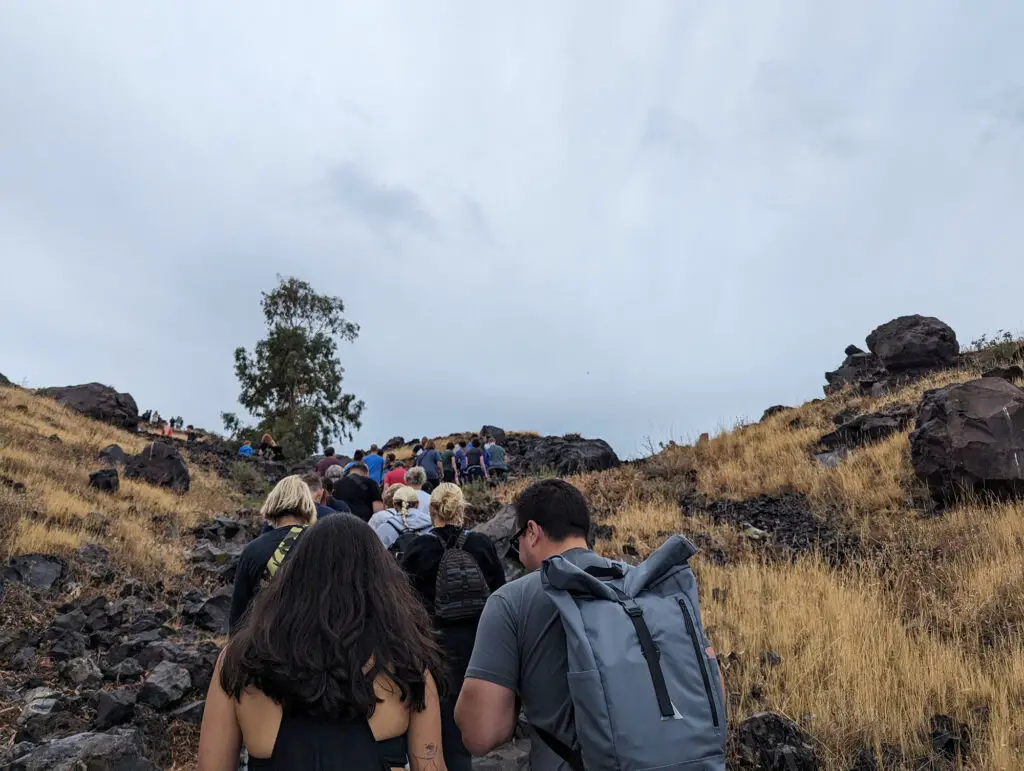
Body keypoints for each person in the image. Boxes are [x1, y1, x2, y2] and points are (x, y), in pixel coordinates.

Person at [199, 514, 448, 771]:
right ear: (382, 584)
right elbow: (431, 765)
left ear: (292, 577)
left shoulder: (240, 661)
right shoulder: (405, 662)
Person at [453, 479, 592, 767]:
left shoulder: (511, 600)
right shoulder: (643, 588)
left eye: (517, 540)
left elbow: (481, 734)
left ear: (532, 532)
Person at [401, 484, 505, 771]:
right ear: (462, 509)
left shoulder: (419, 547)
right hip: (479, 647)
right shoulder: (481, 544)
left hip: (435, 649)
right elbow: (500, 593)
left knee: (444, 725)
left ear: (431, 510)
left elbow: (403, 600)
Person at [229, 475, 318, 632]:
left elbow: (239, 614)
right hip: (313, 644)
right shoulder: (323, 543)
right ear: (308, 505)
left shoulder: (253, 549)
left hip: (266, 643)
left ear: (272, 503)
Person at [368, 485, 431, 551]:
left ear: (394, 505)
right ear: (417, 504)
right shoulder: (432, 525)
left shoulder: (384, 528)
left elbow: (374, 553)